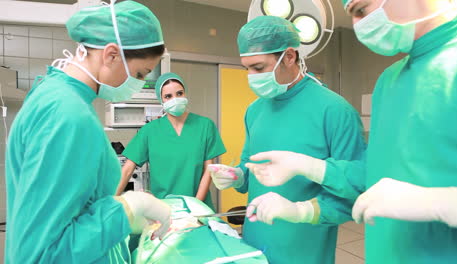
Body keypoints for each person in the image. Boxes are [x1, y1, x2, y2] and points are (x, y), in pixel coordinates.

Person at [246, 0, 457, 263]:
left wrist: (440, 203)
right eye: (352, 14)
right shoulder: (390, 80)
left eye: (362, 9)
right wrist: (306, 170)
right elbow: (370, 177)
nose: (359, 26)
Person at [5, 1, 173, 263]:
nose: (138, 83)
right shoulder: (66, 113)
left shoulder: (58, 95)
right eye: (140, 73)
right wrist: (126, 210)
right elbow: (41, 256)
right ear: (111, 55)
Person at [209, 16, 367, 264]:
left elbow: (357, 186)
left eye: (259, 68)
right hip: (255, 239)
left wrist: (301, 211)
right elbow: (248, 167)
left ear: (290, 56)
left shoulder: (334, 110)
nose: (251, 76)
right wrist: (236, 176)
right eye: (247, 68)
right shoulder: (254, 110)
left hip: (305, 245)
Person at [115, 72, 226, 210]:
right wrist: (110, 204)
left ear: (185, 93)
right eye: (168, 96)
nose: (175, 99)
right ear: (161, 100)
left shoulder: (205, 126)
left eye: (179, 93)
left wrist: (195, 207)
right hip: (163, 210)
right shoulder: (149, 131)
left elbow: (208, 171)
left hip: (199, 207)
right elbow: (126, 171)